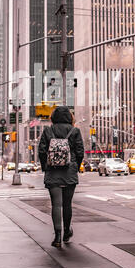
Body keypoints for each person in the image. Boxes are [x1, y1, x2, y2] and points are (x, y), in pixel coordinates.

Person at [38, 106, 84, 248]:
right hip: (69, 170)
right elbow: (80, 151)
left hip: (53, 170)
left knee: (56, 204)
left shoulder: (48, 130)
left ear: (54, 117)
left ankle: (57, 236)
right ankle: (66, 232)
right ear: (69, 117)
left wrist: (45, 167)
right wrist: (76, 165)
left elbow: (41, 151)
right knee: (67, 204)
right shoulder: (74, 130)